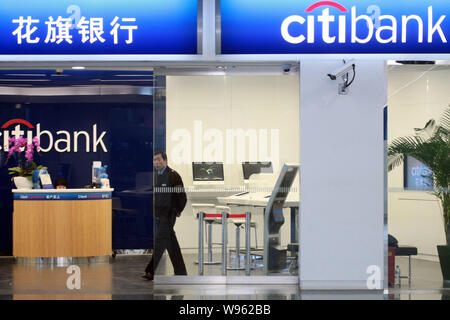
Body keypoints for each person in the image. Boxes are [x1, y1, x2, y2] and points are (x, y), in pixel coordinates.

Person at [143, 151, 187, 280]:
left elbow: (182, 196)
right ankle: (181, 272)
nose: (156, 162)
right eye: (154, 160)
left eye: (159, 160)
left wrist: (178, 210)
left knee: (160, 241)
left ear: (166, 160)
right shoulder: (155, 176)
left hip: (168, 215)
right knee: (170, 242)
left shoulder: (173, 176)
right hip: (158, 214)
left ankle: (150, 271)